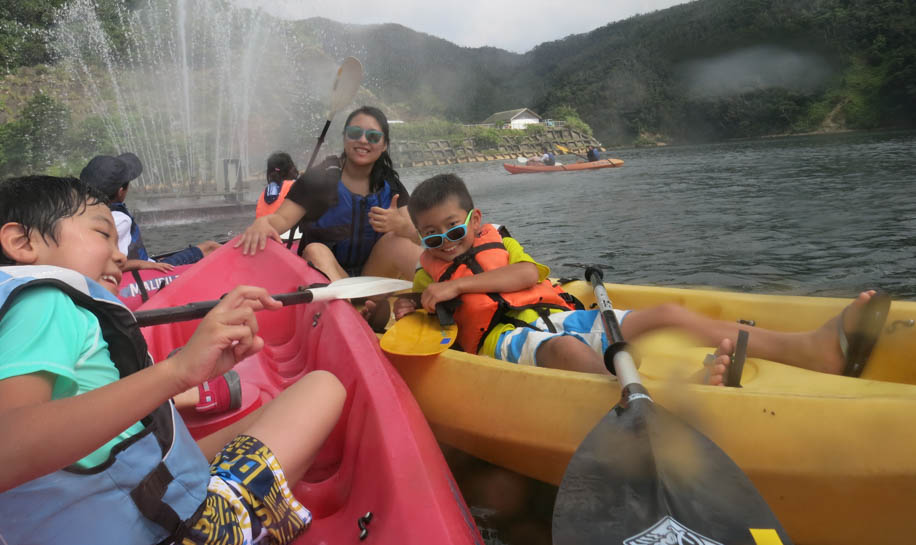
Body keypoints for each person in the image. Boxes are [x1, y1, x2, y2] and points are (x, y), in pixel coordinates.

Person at [0, 175, 346, 545]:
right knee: (321, 388)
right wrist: (178, 373)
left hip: (140, 498)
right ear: (22, 242)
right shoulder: (43, 302)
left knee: (273, 410)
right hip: (179, 533)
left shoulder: (1, 312)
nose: (120, 253)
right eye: (103, 233)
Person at [392, 173, 887, 383]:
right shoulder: (426, 274)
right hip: (507, 337)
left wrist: (457, 285)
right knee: (569, 353)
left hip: (567, 314)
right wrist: (408, 306)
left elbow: (523, 273)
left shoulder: (499, 242)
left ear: (476, 221)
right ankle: (642, 399)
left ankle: (810, 350)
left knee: (668, 314)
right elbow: (425, 318)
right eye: (430, 237)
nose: (445, 242)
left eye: (453, 229)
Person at [238, 106, 420, 330]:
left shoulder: (390, 184)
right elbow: (280, 220)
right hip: (330, 280)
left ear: (383, 145)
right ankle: (355, 316)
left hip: (372, 281)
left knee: (398, 241)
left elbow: (420, 237)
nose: (363, 140)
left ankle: (439, 297)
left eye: (372, 136)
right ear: (344, 138)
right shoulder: (320, 179)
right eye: (355, 133)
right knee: (315, 249)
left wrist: (402, 225)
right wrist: (263, 222)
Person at [80, 152, 220, 268]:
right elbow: (114, 264)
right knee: (211, 247)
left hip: (146, 264)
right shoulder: (119, 219)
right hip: (147, 273)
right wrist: (144, 264)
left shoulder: (84, 212)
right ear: (120, 191)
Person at [256, 151, 299, 218]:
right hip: (285, 227)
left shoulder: (264, 193)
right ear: (291, 169)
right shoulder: (294, 186)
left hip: (263, 227)